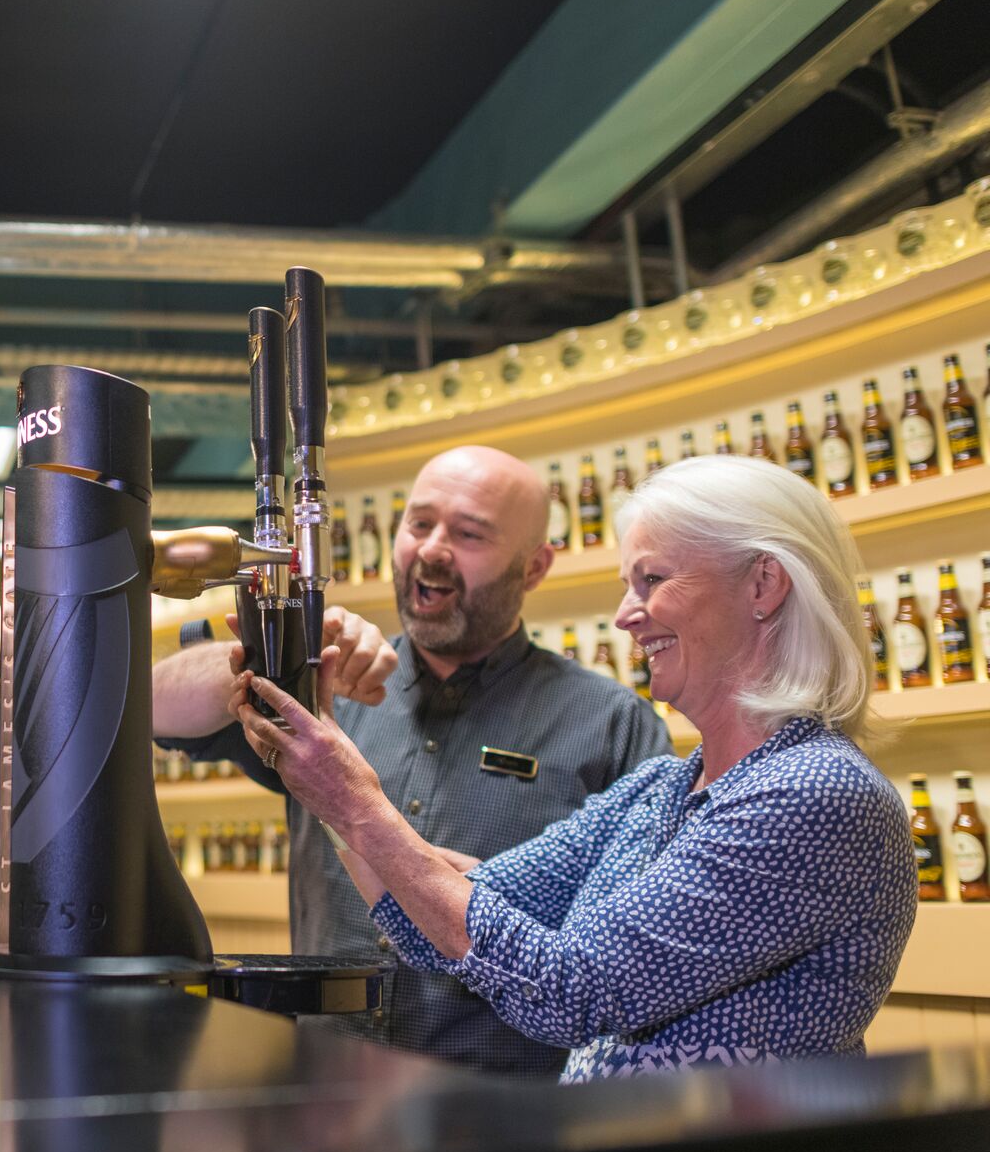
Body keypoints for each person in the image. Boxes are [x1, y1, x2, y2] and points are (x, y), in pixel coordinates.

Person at [238, 455, 916, 1081]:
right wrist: (326, 777)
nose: (626, 615)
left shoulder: (815, 794)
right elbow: (456, 901)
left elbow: (574, 989)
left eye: (651, 580)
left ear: (762, 584)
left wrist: (357, 805)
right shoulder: (664, 788)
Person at [154, 445, 669, 1075]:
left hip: (506, 1121)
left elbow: (629, 949)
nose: (431, 549)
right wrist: (274, 658)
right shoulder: (325, 683)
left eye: (469, 533)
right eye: (419, 523)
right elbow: (153, 706)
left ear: (533, 568)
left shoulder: (614, 725)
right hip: (326, 1102)